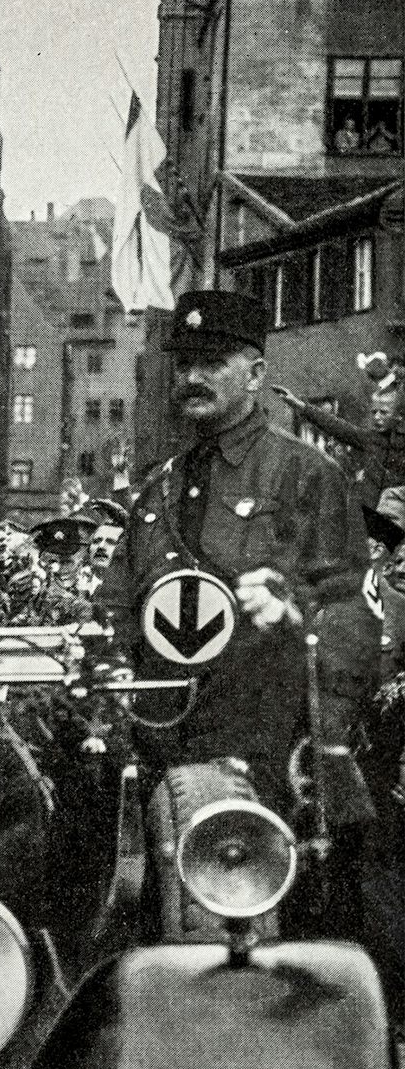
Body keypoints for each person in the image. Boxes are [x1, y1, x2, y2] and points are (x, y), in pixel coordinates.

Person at [99, 291, 368, 926]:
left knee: (267, 952)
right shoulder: (159, 488)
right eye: (185, 363)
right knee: (169, 940)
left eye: (212, 362)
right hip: (165, 750)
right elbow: (118, 607)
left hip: (270, 758)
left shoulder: (305, 476)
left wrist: (318, 753)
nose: (192, 377)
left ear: (254, 373)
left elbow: (355, 617)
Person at [271, 380, 405, 510]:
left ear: (399, 416)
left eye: (384, 412)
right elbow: (336, 426)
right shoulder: (369, 438)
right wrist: (300, 405)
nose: (377, 417)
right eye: (374, 412)